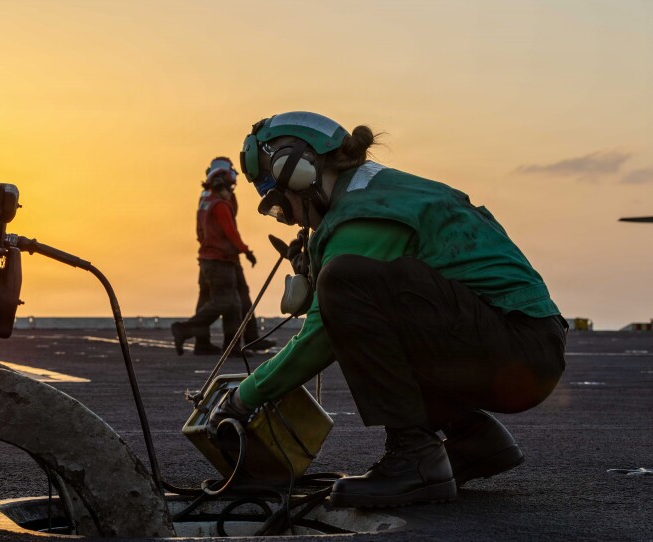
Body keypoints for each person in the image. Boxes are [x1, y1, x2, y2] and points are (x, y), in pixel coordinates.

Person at [207, 111, 567, 507]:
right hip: (519, 345)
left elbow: (324, 330)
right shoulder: (377, 191)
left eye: (280, 205)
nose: (289, 220)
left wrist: (245, 397)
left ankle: (414, 457)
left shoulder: (365, 212)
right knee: (350, 291)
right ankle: (472, 439)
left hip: (519, 352)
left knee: (344, 281)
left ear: (299, 172)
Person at [171, 160, 260, 356]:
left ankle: (232, 347)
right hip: (221, 261)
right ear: (221, 186)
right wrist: (246, 251)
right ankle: (184, 329)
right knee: (223, 302)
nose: (231, 191)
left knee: (234, 304)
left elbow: (200, 231)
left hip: (208, 259)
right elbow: (231, 233)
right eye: (229, 187)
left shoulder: (205, 203)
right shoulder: (220, 206)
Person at [192, 158, 277, 356]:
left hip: (209, 255)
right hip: (224, 256)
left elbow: (200, 228)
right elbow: (230, 228)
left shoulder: (205, 197)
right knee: (238, 297)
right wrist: (245, 250)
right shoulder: (220, 199)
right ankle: (246, 339)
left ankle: (202, 340)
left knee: (206, 297)